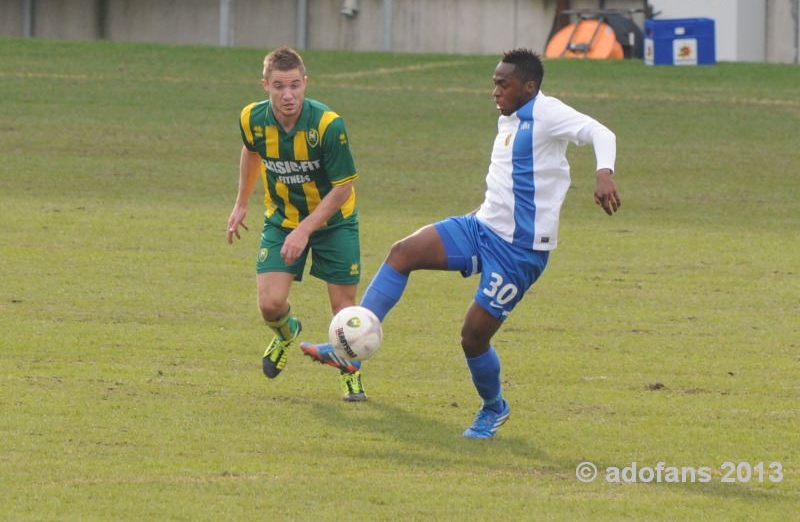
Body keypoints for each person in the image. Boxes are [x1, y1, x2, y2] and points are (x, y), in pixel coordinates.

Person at [300, 47, 621, 437]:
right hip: (481, 227)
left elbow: (600, 132)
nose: (496, 90)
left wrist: (604, 172)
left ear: (529, 86)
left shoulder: (547, 113)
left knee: (473, 337)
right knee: (403, 253)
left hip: (520, 252)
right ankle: (348, 349)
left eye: (504, 84)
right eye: (494, 83)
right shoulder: (510, 119)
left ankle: (494, 408)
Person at [227, 46, 366, 402]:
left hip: (335, 222)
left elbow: (343, 186)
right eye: (278, 87)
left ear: (305, 83)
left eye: (294, 86)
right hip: (281, 220)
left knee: (343, 310)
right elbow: (251, 150)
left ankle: (350, 372)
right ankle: (288, 333)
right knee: (270, 304)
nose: (287, 95)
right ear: (265, 86)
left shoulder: (327, 125)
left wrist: (305, 230)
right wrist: (241, 203)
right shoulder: (251, 119)